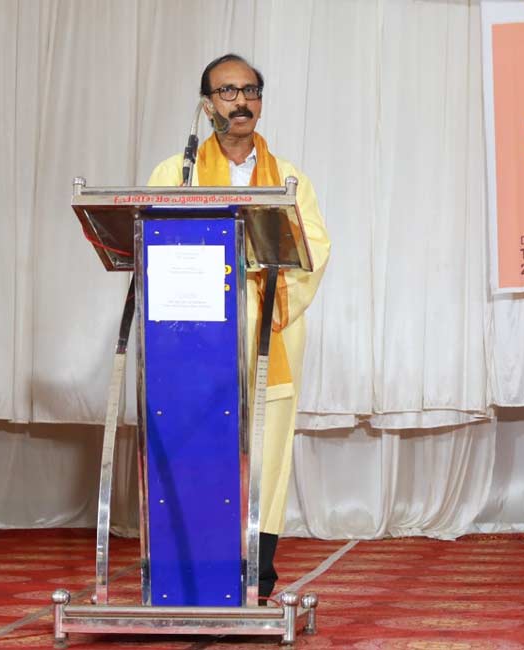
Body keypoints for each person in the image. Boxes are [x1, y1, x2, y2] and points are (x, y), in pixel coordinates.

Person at [147, 53, 331, 602]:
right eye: (228, 92)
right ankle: (188, 573)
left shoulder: (290, 178)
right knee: (194, 445)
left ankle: (256, 578)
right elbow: (153, 245)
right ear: (207, 107)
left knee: (266, 451)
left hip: (267, 333)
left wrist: (257, 286)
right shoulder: (174, 174)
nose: (241, 101)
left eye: (250, 90)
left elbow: (313, 251)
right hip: (191, 341)